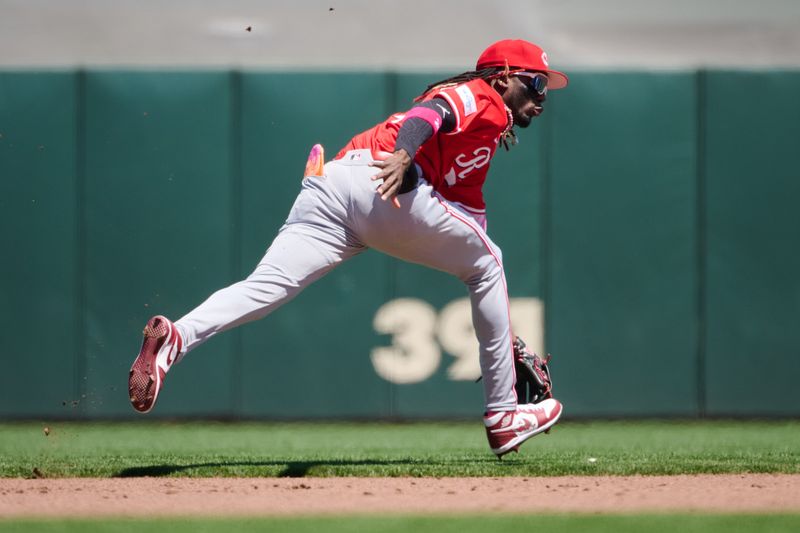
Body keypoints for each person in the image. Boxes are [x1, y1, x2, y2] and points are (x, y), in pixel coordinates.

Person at [128, 39, 569, 457]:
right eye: (537, 81)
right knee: (490, 265)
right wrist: (402, 155)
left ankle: (176, 338)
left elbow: (467, 229)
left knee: (265, 287)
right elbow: (430, 113)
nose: (543, 94)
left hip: (333, 181)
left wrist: (502, 337)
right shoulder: (480, 96)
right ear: (503, 77)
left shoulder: (480, 145)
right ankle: (503, 414)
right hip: (387, 178)